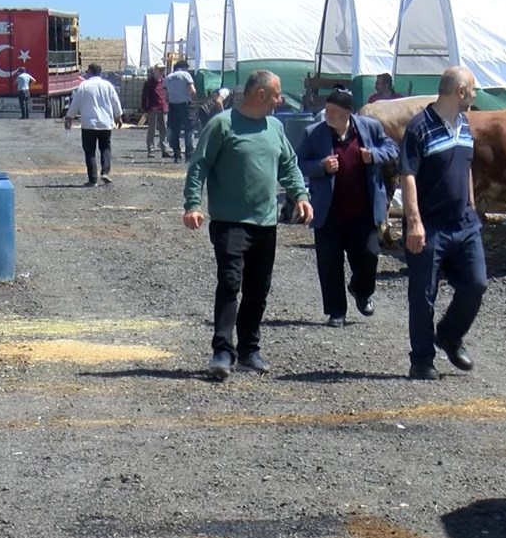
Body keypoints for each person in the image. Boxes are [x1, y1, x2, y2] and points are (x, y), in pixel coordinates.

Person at [183, 70, 313, 380]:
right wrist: (192, 204)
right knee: (230, 283)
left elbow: (288, 165)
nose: (281, 100)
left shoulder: (275, 127)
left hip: (265, 223)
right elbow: (198, 165)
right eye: (278, 94)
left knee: (258, 289)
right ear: (262, 95)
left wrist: (301, 196)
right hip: (230, 222)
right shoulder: (222, 125)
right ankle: (222, 352)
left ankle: (249, 350)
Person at [400, 65, 487, 380]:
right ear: (460, 91)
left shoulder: (464, 123)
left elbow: (466, 167)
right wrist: (414, 222)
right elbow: (407, 176)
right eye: (473, 89)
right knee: (423, 294)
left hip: (464, 223)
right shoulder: (418, 128)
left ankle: (449, 335)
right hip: (430, 224)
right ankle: (421, 360)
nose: (475, 95)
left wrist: (472, 205)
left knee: (476, 284)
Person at [297, 87, 398, 328]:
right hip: (329, 211)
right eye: (327, 110)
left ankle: (361, 290)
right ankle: (336, 311)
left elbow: (392, 149)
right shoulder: (314, 133)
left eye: (333, 110)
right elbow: (297, 163)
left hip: (362, 210)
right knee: (329, 262)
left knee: (369, 256)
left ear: (347, 113)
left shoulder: (369, 128)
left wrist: (372, 155)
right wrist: (321, 166)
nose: (327, 114)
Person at [64, 63, 123, 187]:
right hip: (105, 123)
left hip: (88, 124)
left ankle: (93, 179)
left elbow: (76, 103)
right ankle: (105, 172)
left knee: (90, 151)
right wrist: (118, 116)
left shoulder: (84, 86)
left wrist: (69, 117)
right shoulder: (108, 86)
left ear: (90, 72)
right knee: (105, 148)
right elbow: (115, 101)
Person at [164, 60, 197, 163]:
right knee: (189, 130)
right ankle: (189, 155)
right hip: (185, 106)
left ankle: (177, 155)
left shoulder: (168, 77)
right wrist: (194, 100)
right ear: (184, 67)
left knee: (174, 131)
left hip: (173, 106)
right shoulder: (185, 75)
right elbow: (192, 91)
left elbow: (165, 94)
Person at [141, 66, 170, 158]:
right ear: (155, 71)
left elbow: (167, 95)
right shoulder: (149, 83)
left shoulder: (165, 81)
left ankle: (164, 150)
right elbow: (144, 97)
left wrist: (168, 105)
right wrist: (145, 109)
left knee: (164, 130)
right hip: (153, 109)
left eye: (163, 70)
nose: (161, 72)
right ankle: (151, 150)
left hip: (163, 108)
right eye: (160, 70)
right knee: (152, 130)